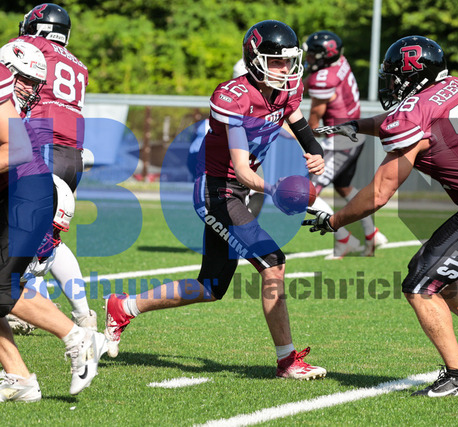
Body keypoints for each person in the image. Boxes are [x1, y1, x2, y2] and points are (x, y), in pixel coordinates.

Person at [307, 36, 458, 397]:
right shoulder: (453, 86)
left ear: (412, 75)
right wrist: (356, 125)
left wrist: (333, 221)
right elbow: (409, 115)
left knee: (420, 286)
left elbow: (379, 193)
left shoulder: (411, 114)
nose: (391, 84)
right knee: (427, 269)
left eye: (394, 77)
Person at [105, 20, 327, 380]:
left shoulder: (287, 89)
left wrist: (314, 150)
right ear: (255, 60)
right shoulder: (234, 97)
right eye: (276, 61)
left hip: (236, 191)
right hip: (217, 191)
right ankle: (287, 361)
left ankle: (123, 307)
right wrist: (277, 190)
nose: (285, 69)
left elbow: (297, 122)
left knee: (210, 287)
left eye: (288, 61)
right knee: (273, 263)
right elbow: (241, 170)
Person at [0, 43, 105, 402]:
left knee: (2, 287)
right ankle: (19, 378)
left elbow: (16, 149)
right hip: (15, 190)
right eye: (25, 81)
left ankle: (79, 337)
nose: (29, 90)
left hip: (25, 193)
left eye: (33, 83)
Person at [10, 3, 96, 330]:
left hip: (40, 146)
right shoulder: (78, 65)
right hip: (72, 155)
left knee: (21, 232)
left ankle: (27, 307)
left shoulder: (33, 46)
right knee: (47, 238)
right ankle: (82, 314)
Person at [303, 30, 388, 258]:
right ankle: (372, 234)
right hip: (354, 133)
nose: (308, 58)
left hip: (339, 142)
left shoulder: (323, 79)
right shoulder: (339, 62)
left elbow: (313, 123)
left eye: (312, 54)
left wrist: (293, 134)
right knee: (344, 187)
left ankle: (344, 239)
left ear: (324, 56)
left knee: (305, 193)